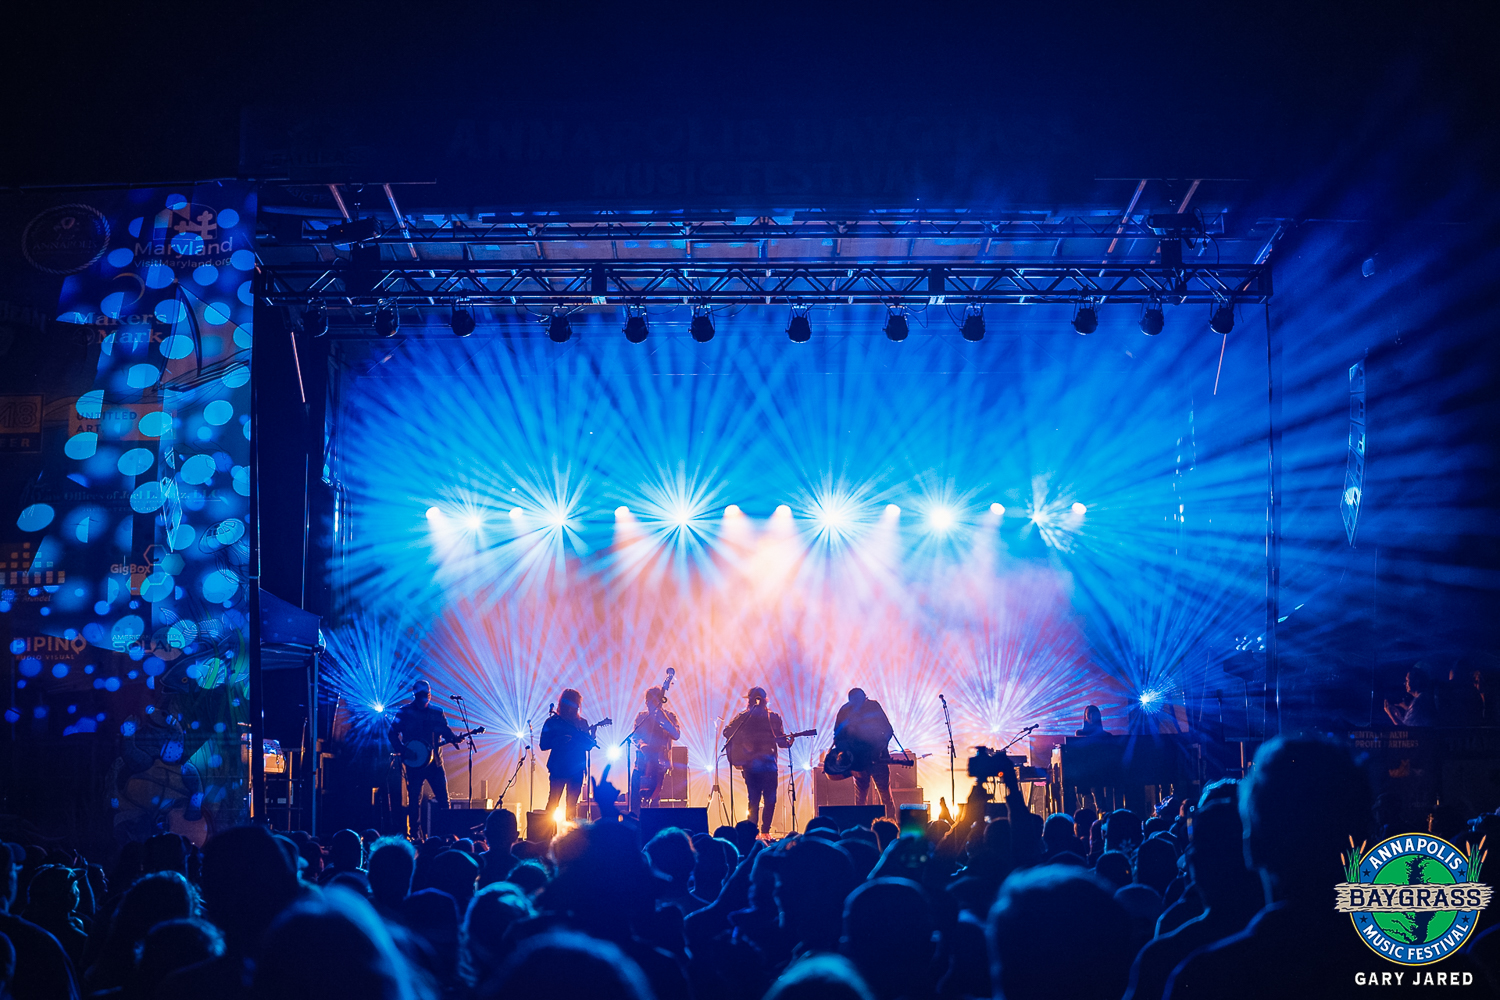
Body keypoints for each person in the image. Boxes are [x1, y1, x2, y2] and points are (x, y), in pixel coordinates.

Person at [389, 680, 464, 836]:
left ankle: (446, 834)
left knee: (443, 800)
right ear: (416, 694)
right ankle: (415, 834)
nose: (426, 697)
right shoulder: (404, 712)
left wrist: (454, 738)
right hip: (414, 763)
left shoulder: (437, 712)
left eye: (428, 694)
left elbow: (445, 731)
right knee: (414, 800)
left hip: (434, 763)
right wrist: (403, 751)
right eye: (423, 694)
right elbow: (392, 733)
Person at [722, 687, 794, 837]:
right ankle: (752, 833)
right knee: (753, 799)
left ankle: (765, 832)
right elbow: (727, 731)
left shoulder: (773, 717)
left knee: (770, 799)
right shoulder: (743, 717)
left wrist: (789, 742)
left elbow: (781, 742)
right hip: (751, 765)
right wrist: (743, 742)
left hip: (769, 765)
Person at [833, 689, 897, 820]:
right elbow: (838, 735)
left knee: (884, 793)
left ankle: (890, 824)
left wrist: (880, 746)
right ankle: (862, 825)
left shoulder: (873, 706)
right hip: (858, 761)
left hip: (877, 757)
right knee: (861, 796)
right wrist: (844, 750)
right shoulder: (845, 711)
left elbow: (888, 729)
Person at [540, 689, 595, 821]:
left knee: (571, 807)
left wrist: (593, 734)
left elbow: (588, 746)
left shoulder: (582, 723)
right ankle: (547, 836)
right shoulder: (553, 721)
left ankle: (568, 839)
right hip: (558, 768)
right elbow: (543, 744)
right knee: (553, 803)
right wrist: (557, 741)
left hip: (576, 769)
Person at [631, 686, 681, 812]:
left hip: (660, 764)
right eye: (647, 701)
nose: (649, 704)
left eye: (652, 701)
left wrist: (662, 717)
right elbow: (636, 736)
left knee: (656, 799)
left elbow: (676, 735)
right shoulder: (642, 717)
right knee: (635, 795)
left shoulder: (669, 716)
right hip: (642, 762)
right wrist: (643, 745)